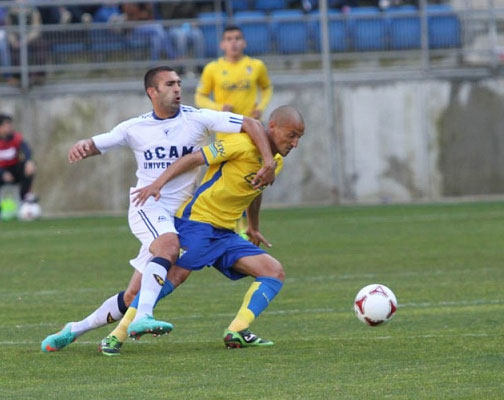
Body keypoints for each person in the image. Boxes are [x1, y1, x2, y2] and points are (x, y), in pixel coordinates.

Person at [40, 66, 277, 352]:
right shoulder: (134, 127)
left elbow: (251, 124)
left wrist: (268, 161)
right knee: (168, 248)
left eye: (178, 83)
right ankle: (144, 317)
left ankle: (74, 329)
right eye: (169, 84)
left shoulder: (198, 118)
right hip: (148, 205)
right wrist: (81, 145)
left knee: (134, 293)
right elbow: (98, 143)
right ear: (152, 92)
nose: (177, 88)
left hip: (181, 216)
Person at [99, 105, 305, 355]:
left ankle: (237, 331)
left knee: (273, 271)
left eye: (299, 138)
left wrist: (253, 226)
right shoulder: (239, 144)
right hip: (198, 223)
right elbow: (193, 158)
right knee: (174, 276)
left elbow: (255, 190)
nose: (294, 143)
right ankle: (115, 335)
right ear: (272, 127)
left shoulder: (276, 163)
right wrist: (157, 184)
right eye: (291, 135)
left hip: (225, 234)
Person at [195, 25, 273, 237]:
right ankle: (226, 225)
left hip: (250, 135)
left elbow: (267, 88)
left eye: (238, 38)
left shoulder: (255, 66)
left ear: (244, 42)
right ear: (222, 44)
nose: (234, 43)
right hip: (226, 134)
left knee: (248, 180)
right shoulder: (213, 68)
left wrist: (261, 108)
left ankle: (245, 228)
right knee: (227, 182)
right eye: (229, 39)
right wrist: (217, 108)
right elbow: (200, 96)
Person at [0, 113, 37, 222]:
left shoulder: (16, 138)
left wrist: (29, 161)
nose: (10, 128)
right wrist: (2, 173)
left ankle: (24, 201)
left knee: (27, 167)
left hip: (14, 170)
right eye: (7, 125)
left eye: (10, 125)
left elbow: (26, 150)